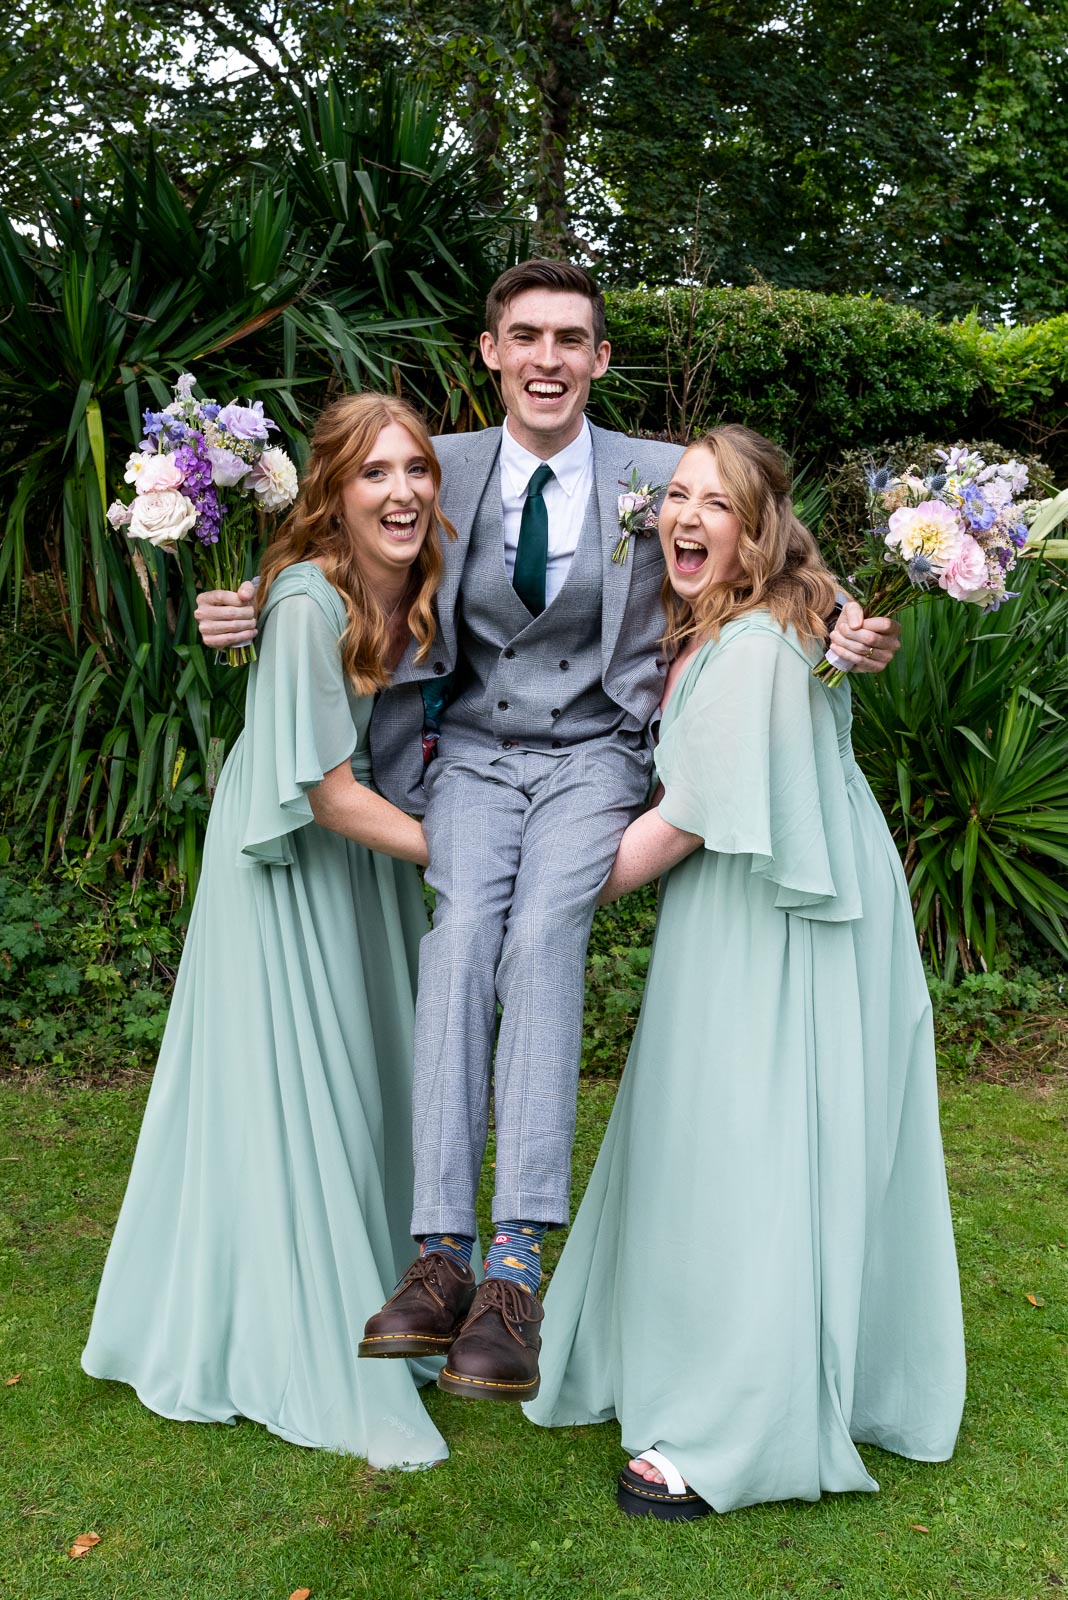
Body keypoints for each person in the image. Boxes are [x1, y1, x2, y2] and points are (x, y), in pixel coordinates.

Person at [194, 260, 901, 1405]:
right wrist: (239, 606)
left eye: (572, 339)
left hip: (598, 757)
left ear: (600, 358)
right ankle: (438, 1258)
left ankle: (517, 1260)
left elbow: (780, 549)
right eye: (525, 335)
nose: (548, 358)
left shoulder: (659, 473)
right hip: (470, 754)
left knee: (546, 934)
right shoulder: (444, 467)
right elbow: (338, 551)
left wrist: (849, 623)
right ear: (491, 352)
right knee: (465, 928)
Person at [522, 424, 966, 1516]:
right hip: (753, 903)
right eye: (676, 495)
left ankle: (737, 1426)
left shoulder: (766, 641)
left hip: (780, 917)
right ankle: (700, 1358)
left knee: (754, 1150)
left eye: (716, 503)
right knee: (719, 1141)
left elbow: (680, 823)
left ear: (757, 526)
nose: (686, 517)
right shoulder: (751, 621)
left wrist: (536, 909)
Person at [82, 393, 457, 1469]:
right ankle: (305, 1328)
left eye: (416, 472)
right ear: (334, 494)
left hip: (365, 856)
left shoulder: (409, 579)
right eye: (374, 474)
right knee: (304, 1083)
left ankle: (393, 1299)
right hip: (296, 855)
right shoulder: (304, 602)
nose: (401, 493)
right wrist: (470, 856)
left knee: (372, 1076)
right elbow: (324, 790)